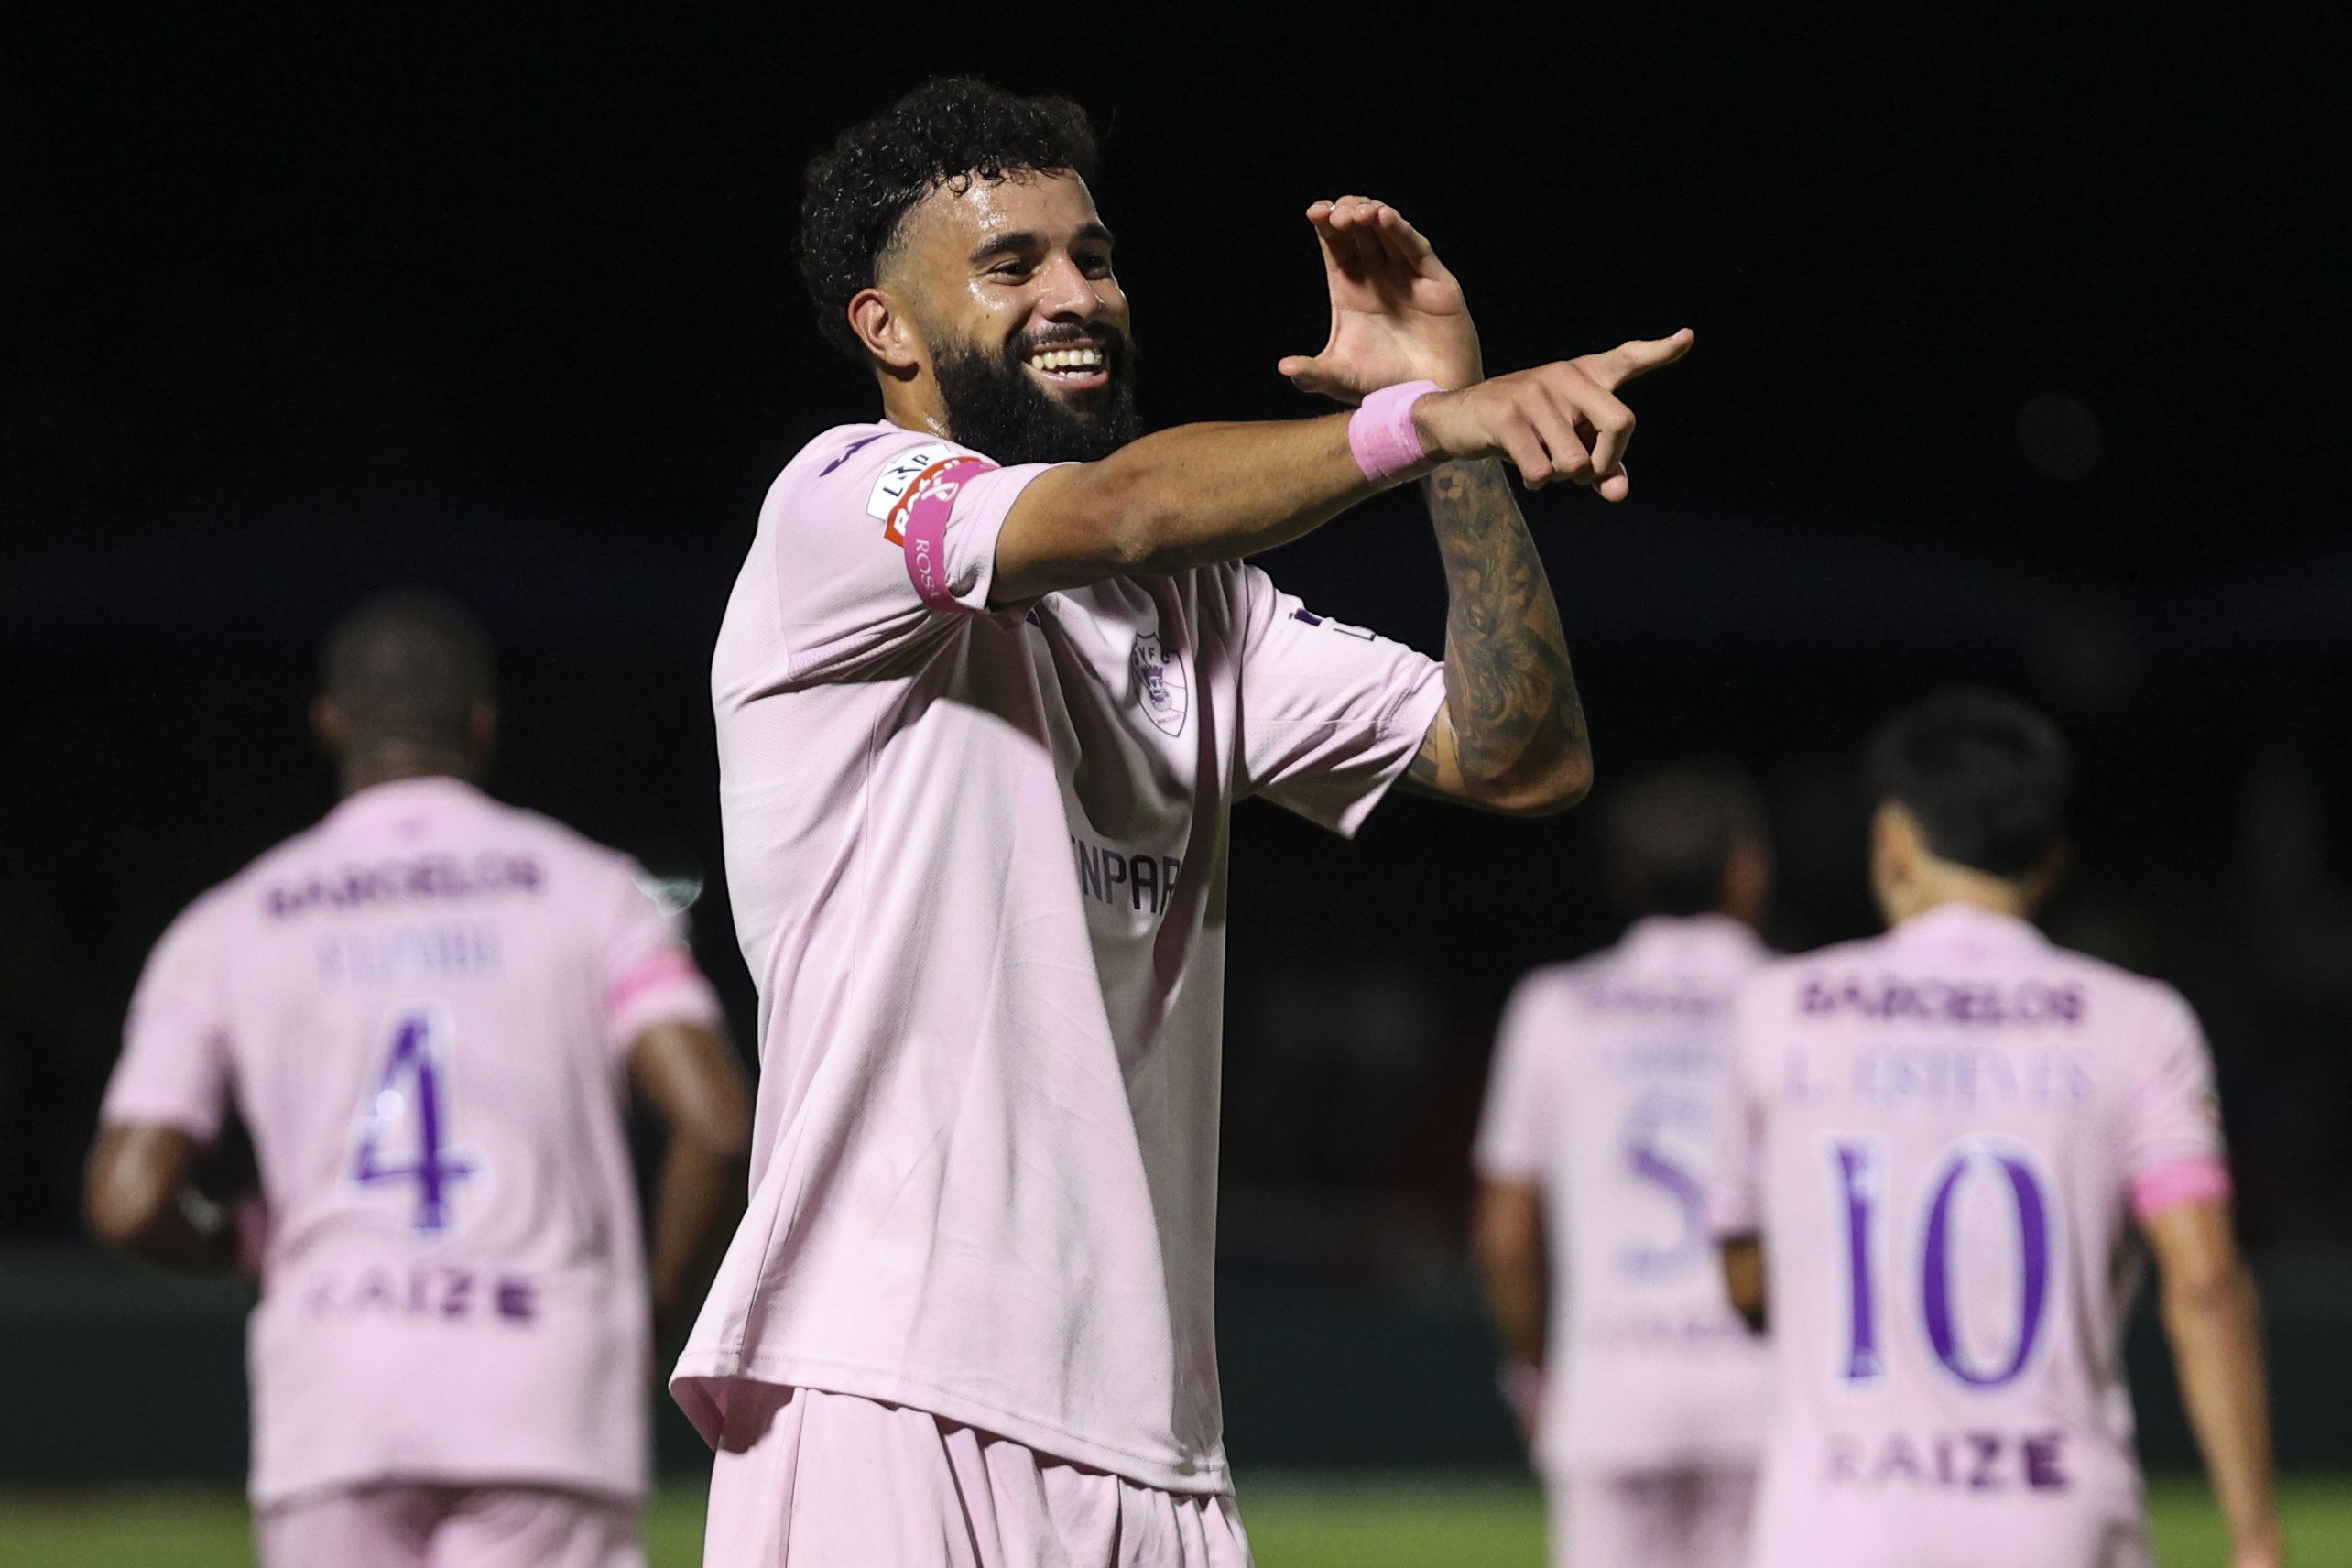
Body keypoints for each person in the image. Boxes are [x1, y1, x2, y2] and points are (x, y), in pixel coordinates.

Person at [676, 75, 1693, 1566]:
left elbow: (1516, 756)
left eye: (1091, 254)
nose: (1073, 290)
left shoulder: (1201, 610)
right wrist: (1414, 424)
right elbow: (1120, 509)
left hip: (1151, 1437)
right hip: (884, 1379)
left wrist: (1457, 449)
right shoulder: (838, 502)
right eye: (1010, 263)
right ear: (884, 328)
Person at [85, 589, 753, 1568]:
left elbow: (129, 1196)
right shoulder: (592, 889)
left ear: (330, 721)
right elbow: (719, 1126)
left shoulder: (226, 924)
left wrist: (235, 1238)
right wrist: (639, 1317)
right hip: (543, 1380)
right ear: (482, 723)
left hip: (338, 1392)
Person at [1710, 690, 2282, 1568]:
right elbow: (2204, 1283)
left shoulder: (1778, 1010)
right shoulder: (2139, 1022)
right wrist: (2254, 1538)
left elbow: (1746, 1281)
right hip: (2057, 1521)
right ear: (2051, 863)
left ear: (1891, 841)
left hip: (1833, 1526)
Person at [1472, 765, 1775, 1568]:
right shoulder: (1797, 1002)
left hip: (1610, 1391)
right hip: (1766, 1397)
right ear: (1747, 871)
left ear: (1626, 878)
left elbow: (1505, 1236)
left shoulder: (1554, 1006)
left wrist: (1534, 1376)